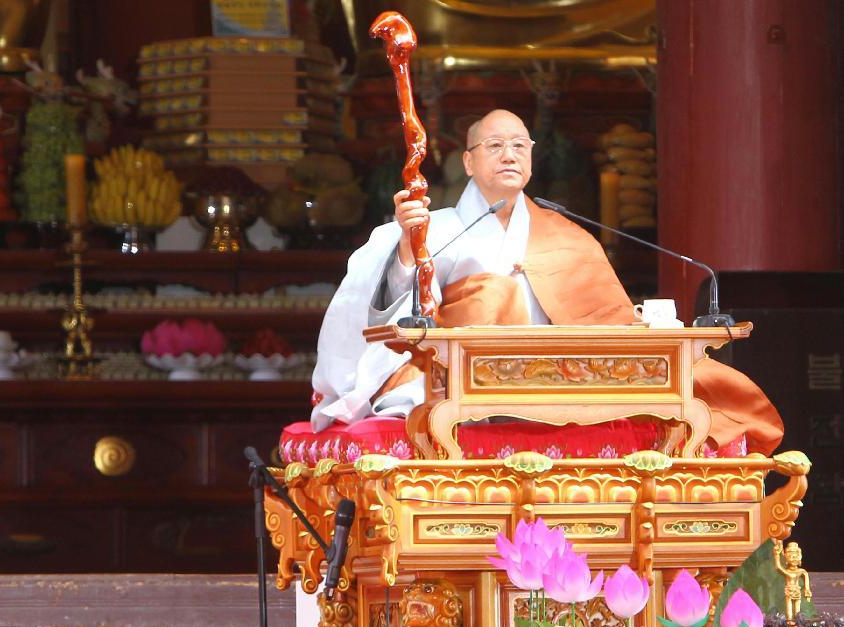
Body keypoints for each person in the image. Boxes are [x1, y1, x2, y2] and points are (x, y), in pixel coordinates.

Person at [311, 110, 784, 456]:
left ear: (532, 159)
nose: (509, 154)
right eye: (494, 146)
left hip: (563, 381)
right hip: (457, 382)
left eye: (519, 145)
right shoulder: (433, 228)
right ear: (469, 162)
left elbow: (606, 317)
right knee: (494, 292)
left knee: (705, 384)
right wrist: (406, 250)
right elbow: (386, 304)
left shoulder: (566, 233)